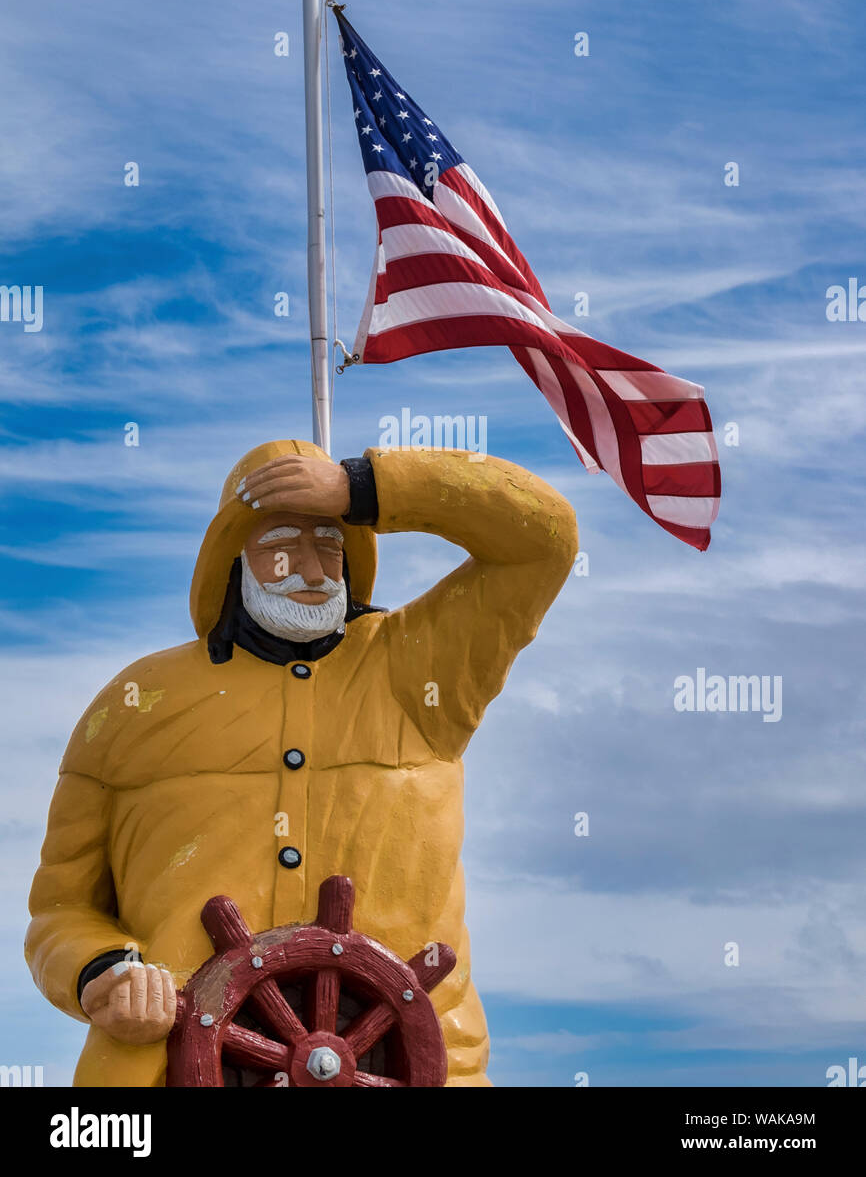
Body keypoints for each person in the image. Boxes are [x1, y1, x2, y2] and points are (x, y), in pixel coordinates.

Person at [26, 439, 577, 1086]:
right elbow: (60, 912)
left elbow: (544, 536)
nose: (314, 571)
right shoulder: (132, 707)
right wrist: (103, 972)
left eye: (331, 545)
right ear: (232, 560)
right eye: (283, 544)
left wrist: (367, 488)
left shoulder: (424, 670)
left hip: (411, 1064)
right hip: (165, 1067)